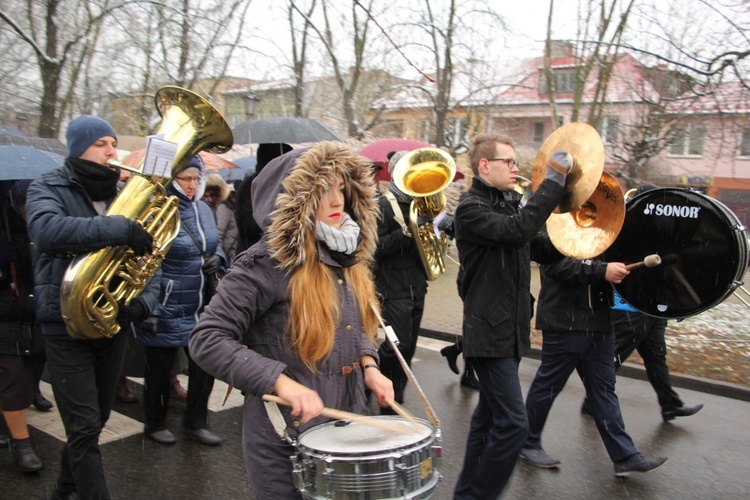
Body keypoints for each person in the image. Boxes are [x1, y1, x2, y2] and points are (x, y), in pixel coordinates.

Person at [190, 142, 395, 498]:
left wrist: (369, 364)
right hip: (285, 437)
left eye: (341, 188)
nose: (337, 201)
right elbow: (207, 339)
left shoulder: (344, 251)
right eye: (323, 190)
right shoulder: (263, 265)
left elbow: (353, 323)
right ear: (295, 200)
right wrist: (281, 382)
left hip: (345, 422)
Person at [26, 115, 160, 500]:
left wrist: (141, 305)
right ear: (77, 147)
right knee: (84, 427)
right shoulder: (48, 185)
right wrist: (119, 228)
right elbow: (46, 230)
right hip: (64, 321)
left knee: (96, 419)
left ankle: (64, 490)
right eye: (102, 143)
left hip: (111, 321)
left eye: (113, 143)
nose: (112, 151)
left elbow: (153, 259)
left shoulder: (124, 191)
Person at [452, 134, 571, 499]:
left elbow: (540, 248)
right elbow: (516, 231)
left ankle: (466, 495)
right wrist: (553, 183)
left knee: (486, 422)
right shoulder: (471, 209)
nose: (517, 168)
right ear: (485, 166)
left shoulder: (508, 207)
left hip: (511, 330)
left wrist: (584, 230)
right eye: (510, 162)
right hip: (488, 334)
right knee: (515, 426)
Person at [521, 256, 669, 476]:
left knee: (604, 390)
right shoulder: (554, 223)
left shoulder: (606, 225)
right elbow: (554, 265)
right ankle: (526, 442)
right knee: (548, 386)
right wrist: (601, 270)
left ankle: (624, 456)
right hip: (565, 321)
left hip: (600, 321)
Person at [135, 155, 226, 447]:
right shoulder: (158, 209)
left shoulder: (203, 208)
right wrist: (152, 307)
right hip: (167, 302)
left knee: (205, 365)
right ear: (173, 178)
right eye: (185, 178)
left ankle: (196, 422)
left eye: (196, 179)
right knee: (160, 370)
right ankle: (155, 422)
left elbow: (217, 243)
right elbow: (149, 262)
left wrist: (219, 259)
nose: (191, 185)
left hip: (200, 303)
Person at [373, 150, 428, 409]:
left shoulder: (423, 204)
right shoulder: (382, 205)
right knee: (398, 345)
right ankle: (370, 375)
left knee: (410, 346)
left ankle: (396, 391)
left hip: (417, 285)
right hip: (392, 287)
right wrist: (405, 235)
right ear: (396, 173)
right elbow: (374, 248)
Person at [0, 179, 44, 474]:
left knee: (28, 370)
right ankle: (22, 444)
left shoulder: (39, 221)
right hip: (6, 312)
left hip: (34, 309)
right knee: (13, 376)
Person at [235, 142, 293, 253]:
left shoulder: (286, 184)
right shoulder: (250, 186)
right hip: (254, 255)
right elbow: (246, 226)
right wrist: (279, 216)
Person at [206, 173, 239, 263]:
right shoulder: (227, 203)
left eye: (210, 190)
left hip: (227, 254)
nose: (207, 193)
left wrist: (219, 255)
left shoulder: (223, 207)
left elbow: (219, 233)